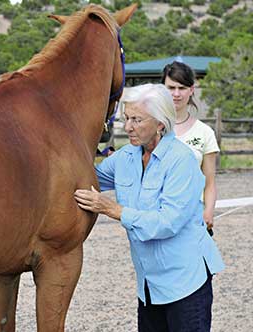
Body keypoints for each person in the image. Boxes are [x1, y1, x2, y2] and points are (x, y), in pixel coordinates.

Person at [74, 84, 225, 332]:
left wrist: (113, 209)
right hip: (149, 286)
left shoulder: (181, 160)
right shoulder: (126, 157)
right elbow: (88, 177)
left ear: (160, 124)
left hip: (186, 282)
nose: (128, 127)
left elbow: (168, 222)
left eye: (136, 119)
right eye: (126, 118)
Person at [161, 61, 220, 234]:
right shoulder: (152, 129)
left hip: (193, 218)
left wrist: (208, 211)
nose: (176, 94)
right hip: (158, 217)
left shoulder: (205, 133)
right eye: (171, 88)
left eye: (182, 88)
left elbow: (209, 183)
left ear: (191, 90)